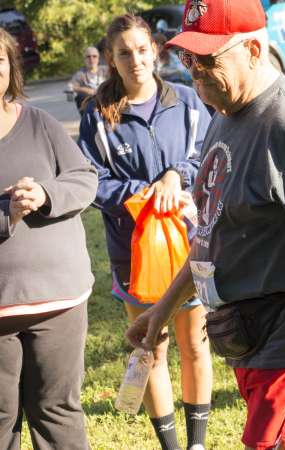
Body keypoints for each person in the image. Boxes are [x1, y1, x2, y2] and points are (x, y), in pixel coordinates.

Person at [126, 1, 285, 450]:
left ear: (254, 49)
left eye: (209, 58)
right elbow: (211, 235)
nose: (195, 71)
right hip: (249, 331)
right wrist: (163, 309)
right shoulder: (226, 112)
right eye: (188, 58)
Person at [77, 14, 213, 450]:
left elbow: (209, 158)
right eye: (123, 53)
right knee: (150, 347)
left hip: (190, 247)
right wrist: (145, 193)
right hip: (133, 254)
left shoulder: (189, 102)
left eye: (141, 49)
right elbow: (90, 181)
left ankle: (197, 443)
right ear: (111, 60)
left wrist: (178, 175)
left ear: (155, 50)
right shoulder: (97, 117)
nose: (134, 60)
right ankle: (171, 447)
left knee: (194, 345)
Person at [0, 28, 97, 450]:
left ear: (10, 67)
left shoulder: (39, 121)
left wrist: (45, 194)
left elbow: (84, 179)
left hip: (58, 301)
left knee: (56, 411)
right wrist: (7, 213)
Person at [71, 46, 108, 114]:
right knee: (80, 96)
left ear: (98, 58)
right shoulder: (81, 74)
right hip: (90, 103)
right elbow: (71, 86)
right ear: (84, 59)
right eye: (88, 56)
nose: (91, 59)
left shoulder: (106, 70)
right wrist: (86, 90)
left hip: (107, 101)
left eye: (94, 56)